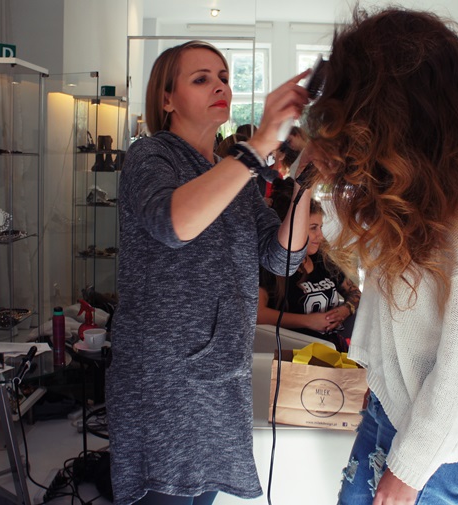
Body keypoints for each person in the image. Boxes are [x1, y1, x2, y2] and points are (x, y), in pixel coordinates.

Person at [302, 8, 458, 505]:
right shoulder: (417, 172)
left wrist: (409, 468)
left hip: (441, 427)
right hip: (398, 402)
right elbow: (368, 264)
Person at [105, 40, 314, 505]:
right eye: (201, 79)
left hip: (221, 375)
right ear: (167, 99)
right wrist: (256, 148)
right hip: (163, 382)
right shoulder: (150, 156)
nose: (220, 86)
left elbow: (280, 258)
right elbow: (174, 223)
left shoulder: (232, 173)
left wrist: (304, 185)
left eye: (223, 78)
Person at [257, 196, 361, 352]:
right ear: (294, 229)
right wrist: (307, 321)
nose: (321, 235)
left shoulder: (322, 260)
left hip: (333, 350)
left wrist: (345, 310)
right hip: (294, 353)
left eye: (320, 227)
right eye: (313, 228)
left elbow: (354, 292)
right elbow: (258, 314)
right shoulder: (271, 266)